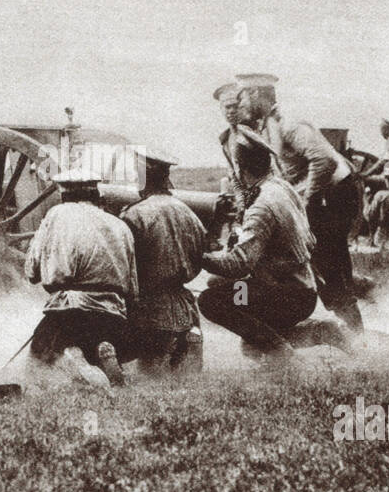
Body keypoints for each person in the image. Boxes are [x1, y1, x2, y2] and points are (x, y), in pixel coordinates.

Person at [237, 74, 364, 332]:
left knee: (327, 263)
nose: (241, 103)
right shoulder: (270, 124)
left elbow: (324, 161)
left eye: (243, 97)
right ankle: (350, 317)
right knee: (324, 265)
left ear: (255, 94)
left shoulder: (288, 123)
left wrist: (304, 201)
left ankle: (355, 335)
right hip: (327, 197)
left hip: (332, 197)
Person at [198, 126, 320, 361]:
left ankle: (280, 352)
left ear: (241, 169)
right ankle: (318, 332)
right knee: (246, 330)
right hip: (303, 287)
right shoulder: (281, 187)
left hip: (287, 297)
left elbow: (237, 265)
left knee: (212, 300)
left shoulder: (262, 206)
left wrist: (198, 256)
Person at [24, 172, 138, 391]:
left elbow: (32, 271)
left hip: (71, 311)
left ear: (63, 192)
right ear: (96, 193)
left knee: (38, 361)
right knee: (97, 344)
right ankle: (102, 356)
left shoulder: (57, 214)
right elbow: (133, 286)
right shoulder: (120, 225)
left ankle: (76, 360)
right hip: (115, 316)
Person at [119, 150, 208, 373]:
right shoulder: (189, 213)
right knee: (183, 379)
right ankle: (190, 342)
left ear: (143, 179)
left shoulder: (134, 215)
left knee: (150, 374)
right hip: (185, 308)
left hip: (150, 312)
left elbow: (126, 267)